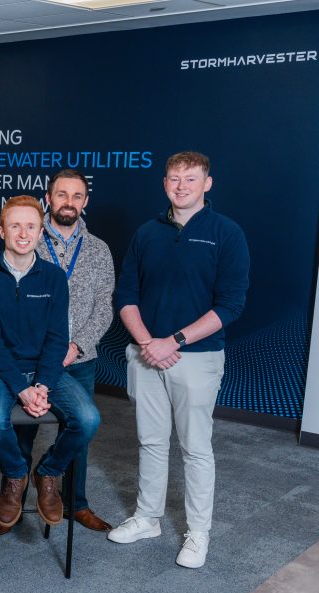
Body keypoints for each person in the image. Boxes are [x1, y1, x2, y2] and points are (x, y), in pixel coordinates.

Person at [110, 151, 249, 569]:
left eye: (191, 179)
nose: (181, 186)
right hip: (145, 354)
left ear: (207, 183)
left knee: (195, 447)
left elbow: (230, 305)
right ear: (164, 183)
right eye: (174, 178)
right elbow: (126, 295)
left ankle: (198, 533)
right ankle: (148, 518)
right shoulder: (146, 233)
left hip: (196, 358)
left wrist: (174, 341)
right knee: (151, 442)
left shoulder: (227, 233)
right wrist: (148, 342)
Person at [0, 169, 116, 535]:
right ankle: (13, 500)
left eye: (77, 196)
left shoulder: (98, 250)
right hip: (33, 358)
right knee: (22, 429)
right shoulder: (28, 236)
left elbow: (104, 307)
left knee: (80, 428)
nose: (69, 202)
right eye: (62, 195)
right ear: (49, 198)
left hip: (79, 358)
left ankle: (75, 503)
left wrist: (75, 346)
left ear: (85, 202)